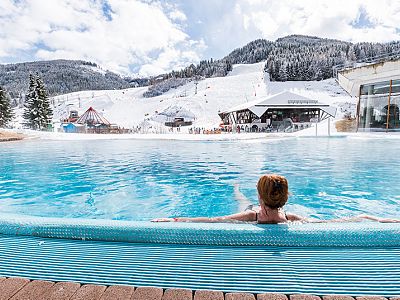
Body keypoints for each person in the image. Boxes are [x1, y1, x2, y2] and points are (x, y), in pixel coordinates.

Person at [152, 174, 400, 224]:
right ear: (285, 198)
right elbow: (343, 220)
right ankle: (237, 189)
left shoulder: (251, 215)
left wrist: (174, 219)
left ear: (261, 197)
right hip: (273, 210)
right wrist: (376, 218)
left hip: (250, 211)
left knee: (240, 200)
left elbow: (213, 219)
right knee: (241, 199)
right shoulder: (293, 218)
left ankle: (236, 188)